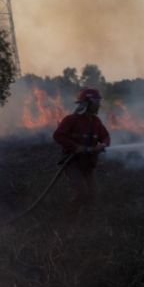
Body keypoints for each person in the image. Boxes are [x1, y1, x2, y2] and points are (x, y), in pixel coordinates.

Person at [53, 88, 110, 216]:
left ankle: (85, 224)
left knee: (93, 193)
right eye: (96, 101)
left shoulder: (96, 122)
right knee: (82, 192)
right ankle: (69, 220)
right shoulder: (71, 120)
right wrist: (76, 147)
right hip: (73, 163)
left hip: (88, 164)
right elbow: (58, 135)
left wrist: (103, 144)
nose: (98, 105)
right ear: (87, 103)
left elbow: (106, 136)